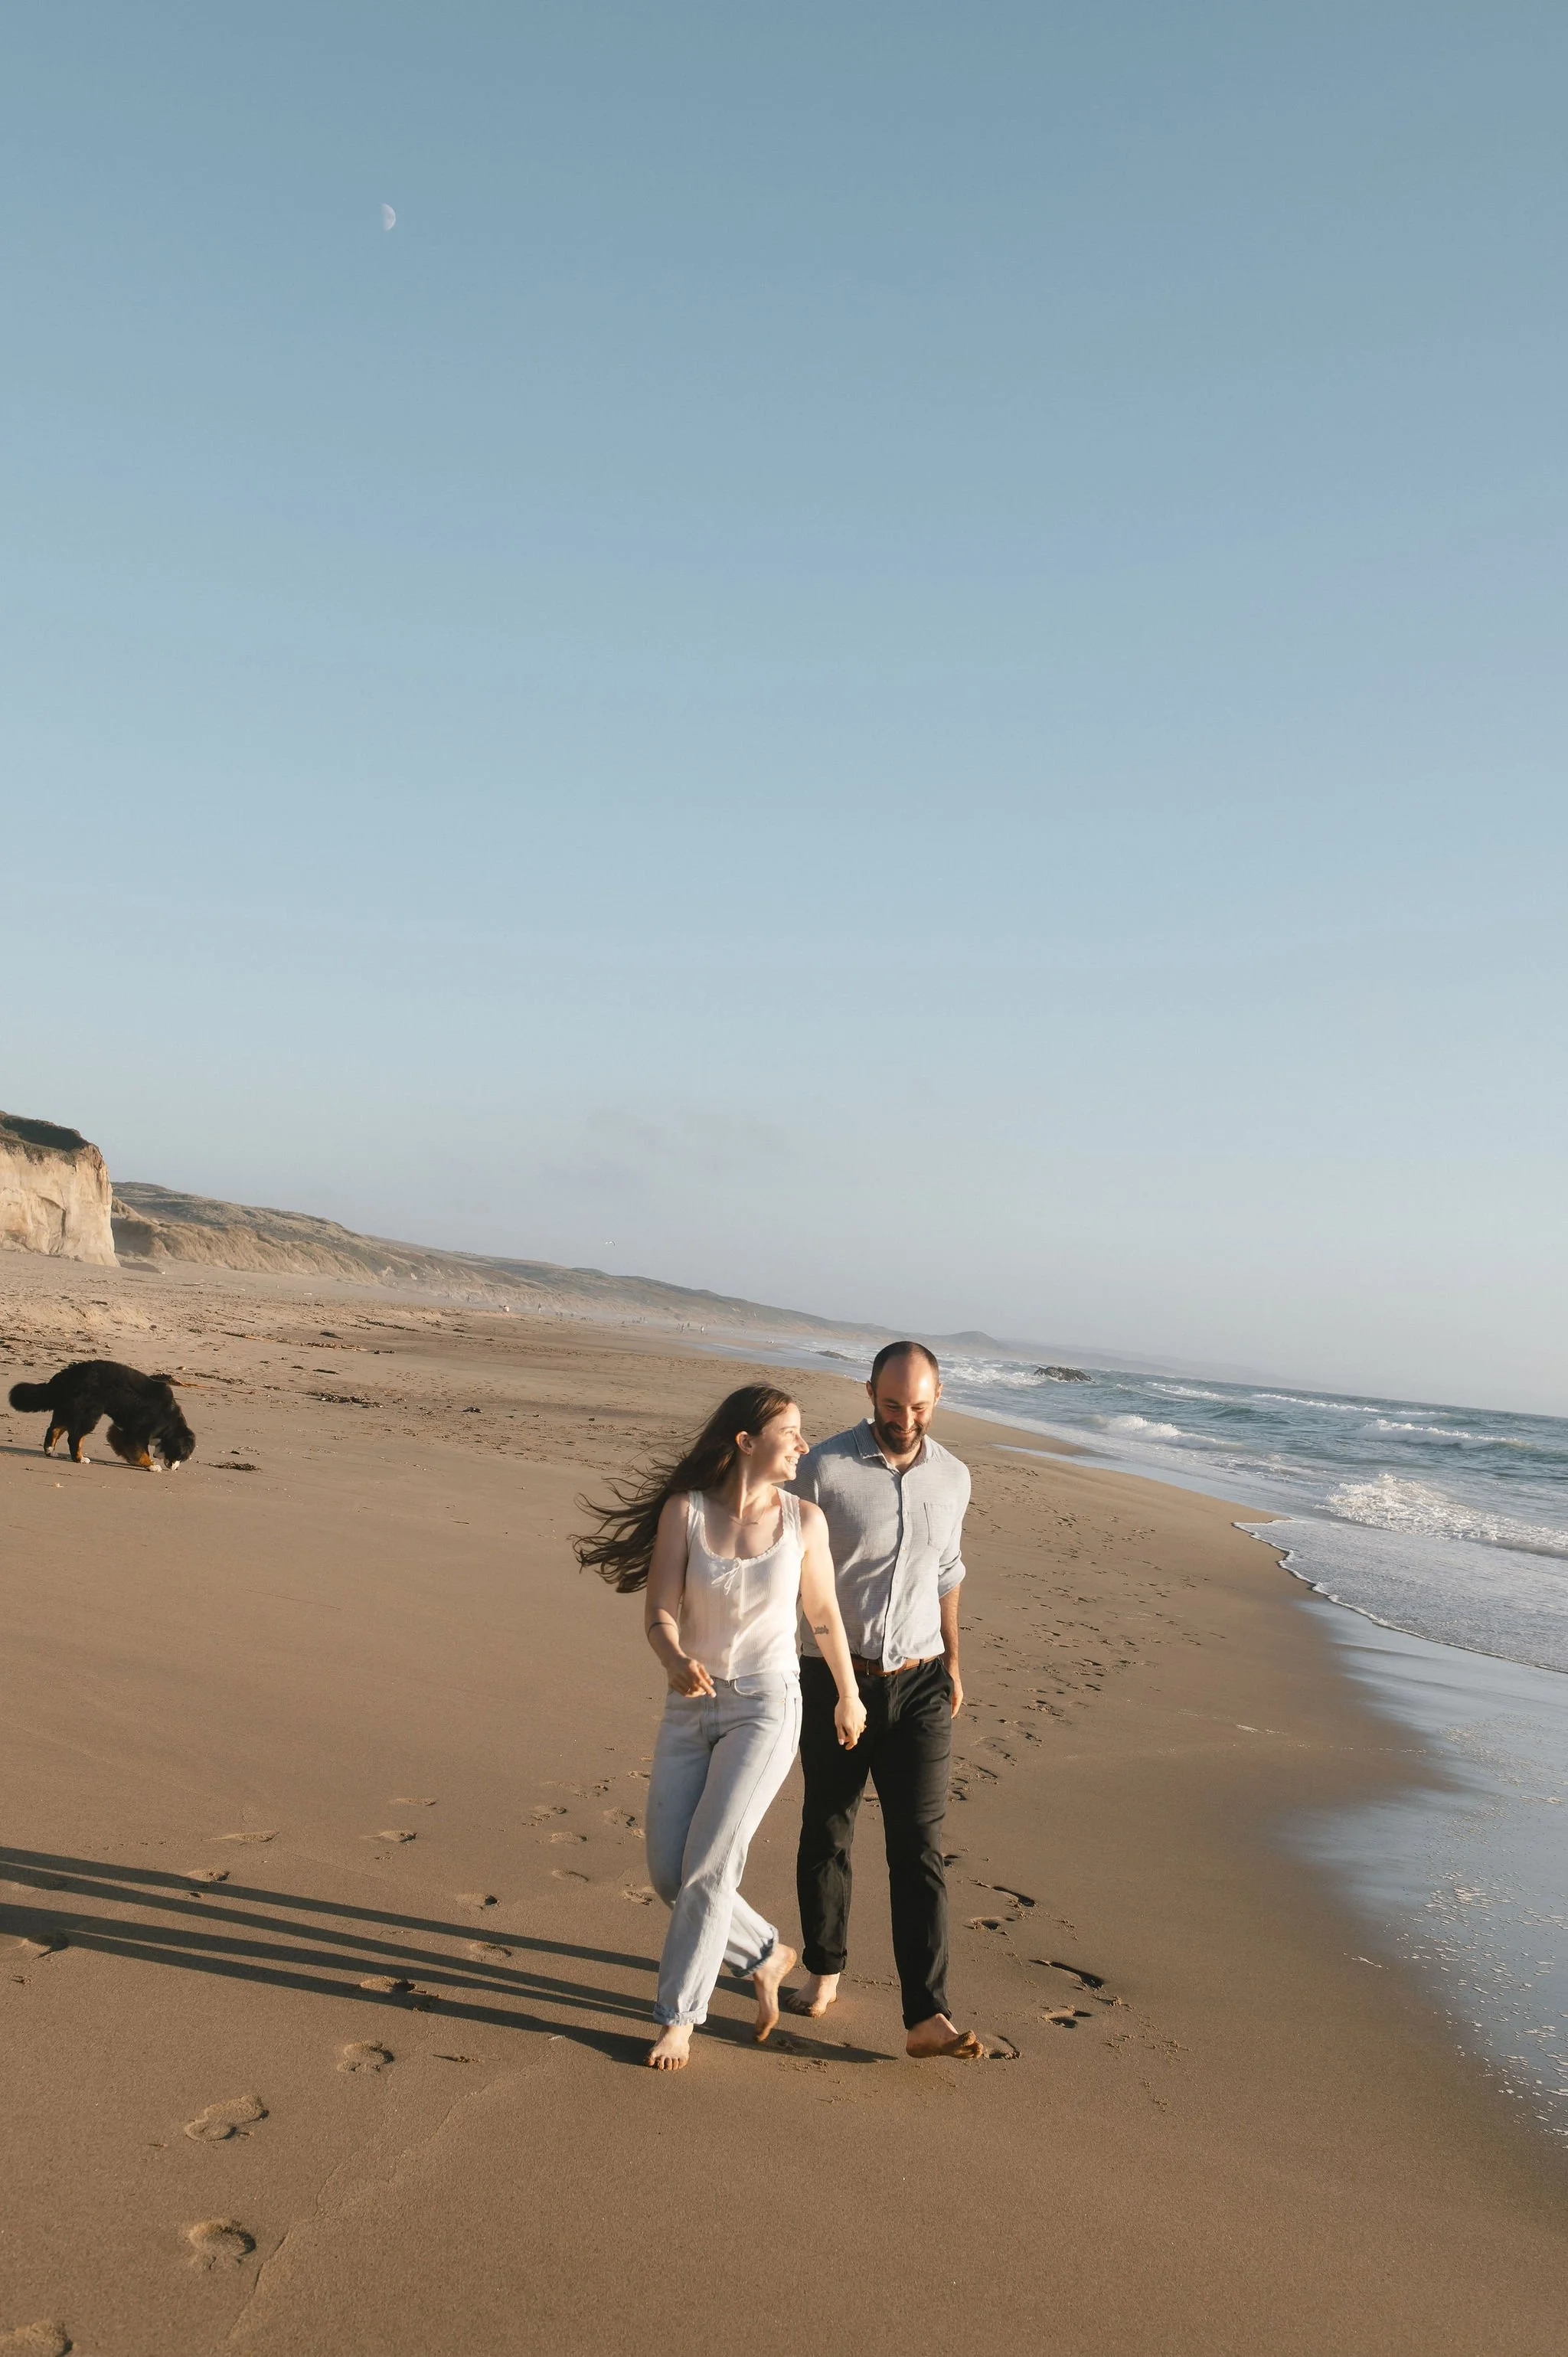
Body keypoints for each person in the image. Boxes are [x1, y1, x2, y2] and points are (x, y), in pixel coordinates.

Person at [575, 1384, 866, 2071]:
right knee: (671, 1875)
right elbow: (659, 1610)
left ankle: (679, 2018)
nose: (802, 1443)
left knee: (710, 1866)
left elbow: (822, 1614)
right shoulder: (687, 1512)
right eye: (790, 1431)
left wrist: (847, 1695)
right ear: (745, 1442)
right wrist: (672, 1657)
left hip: (766, 1706)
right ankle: (765, 1953)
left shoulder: (805, 1522)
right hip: (689, 1703)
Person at [785, 1341, 982, 2058]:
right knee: (828, 1829)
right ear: (870, 1391)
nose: (906, 1418)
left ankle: (927, 2015)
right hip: (837, 1680)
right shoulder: (825, 1468)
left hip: (923, 1683)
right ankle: (824, 1967)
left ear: (939, 1398)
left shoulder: (954, 1477)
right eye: (894, 1404)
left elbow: (948, 1571)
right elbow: (793, 1573)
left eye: (920, 1406)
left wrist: (954, 1664)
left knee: (919, 1851)